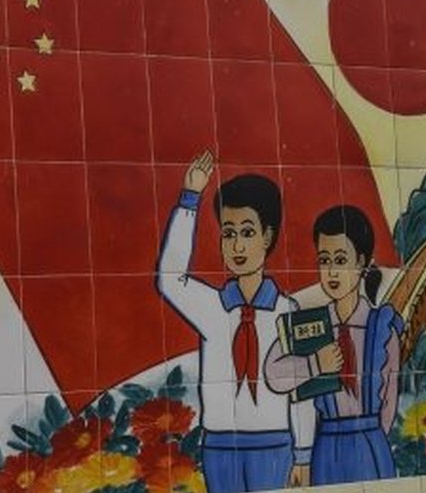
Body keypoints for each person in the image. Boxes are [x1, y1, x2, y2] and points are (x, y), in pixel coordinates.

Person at [156, 150, 316, 493]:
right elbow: (169, 278)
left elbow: (302, 393)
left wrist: (303, 456)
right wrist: (190, 199)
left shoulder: (289, 312)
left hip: (274, 446)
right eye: (229, 233)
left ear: (268, 237)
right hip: (219, 448)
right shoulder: (211, 307)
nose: (237, 245)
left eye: (247, 232)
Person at [265, 205, 402, 485]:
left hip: (371, 443)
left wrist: (372, 436)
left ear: (362, 262)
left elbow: (390, 397)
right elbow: (273, 374)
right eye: (324, 260)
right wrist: (314, 363)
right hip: (325, 445)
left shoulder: (382, 325)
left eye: (341, 260)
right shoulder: (309, 325)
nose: (331, 272)